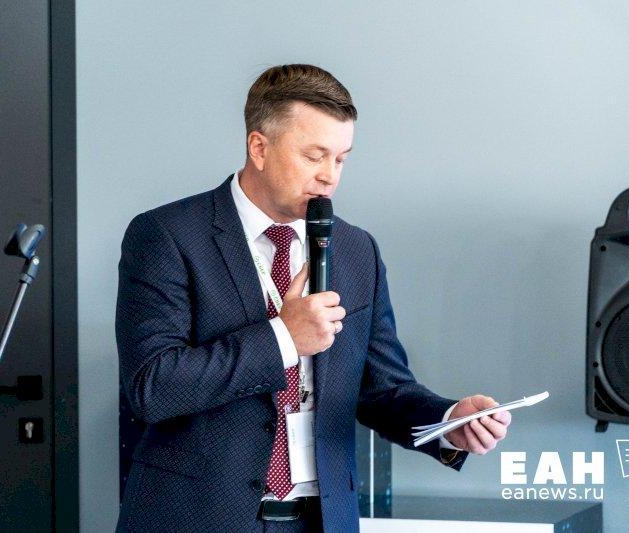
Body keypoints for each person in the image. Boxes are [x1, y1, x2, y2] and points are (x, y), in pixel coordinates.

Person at [115, 64, 511, 533]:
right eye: (314, 156)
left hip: (321, 521)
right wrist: (283, 338)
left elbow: (383, 390)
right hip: (198, 520)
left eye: (341, 159)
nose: (329, 177)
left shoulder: (357, 250)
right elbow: (152, 387)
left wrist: (446, 421)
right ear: (259, 148)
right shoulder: (167, 235)